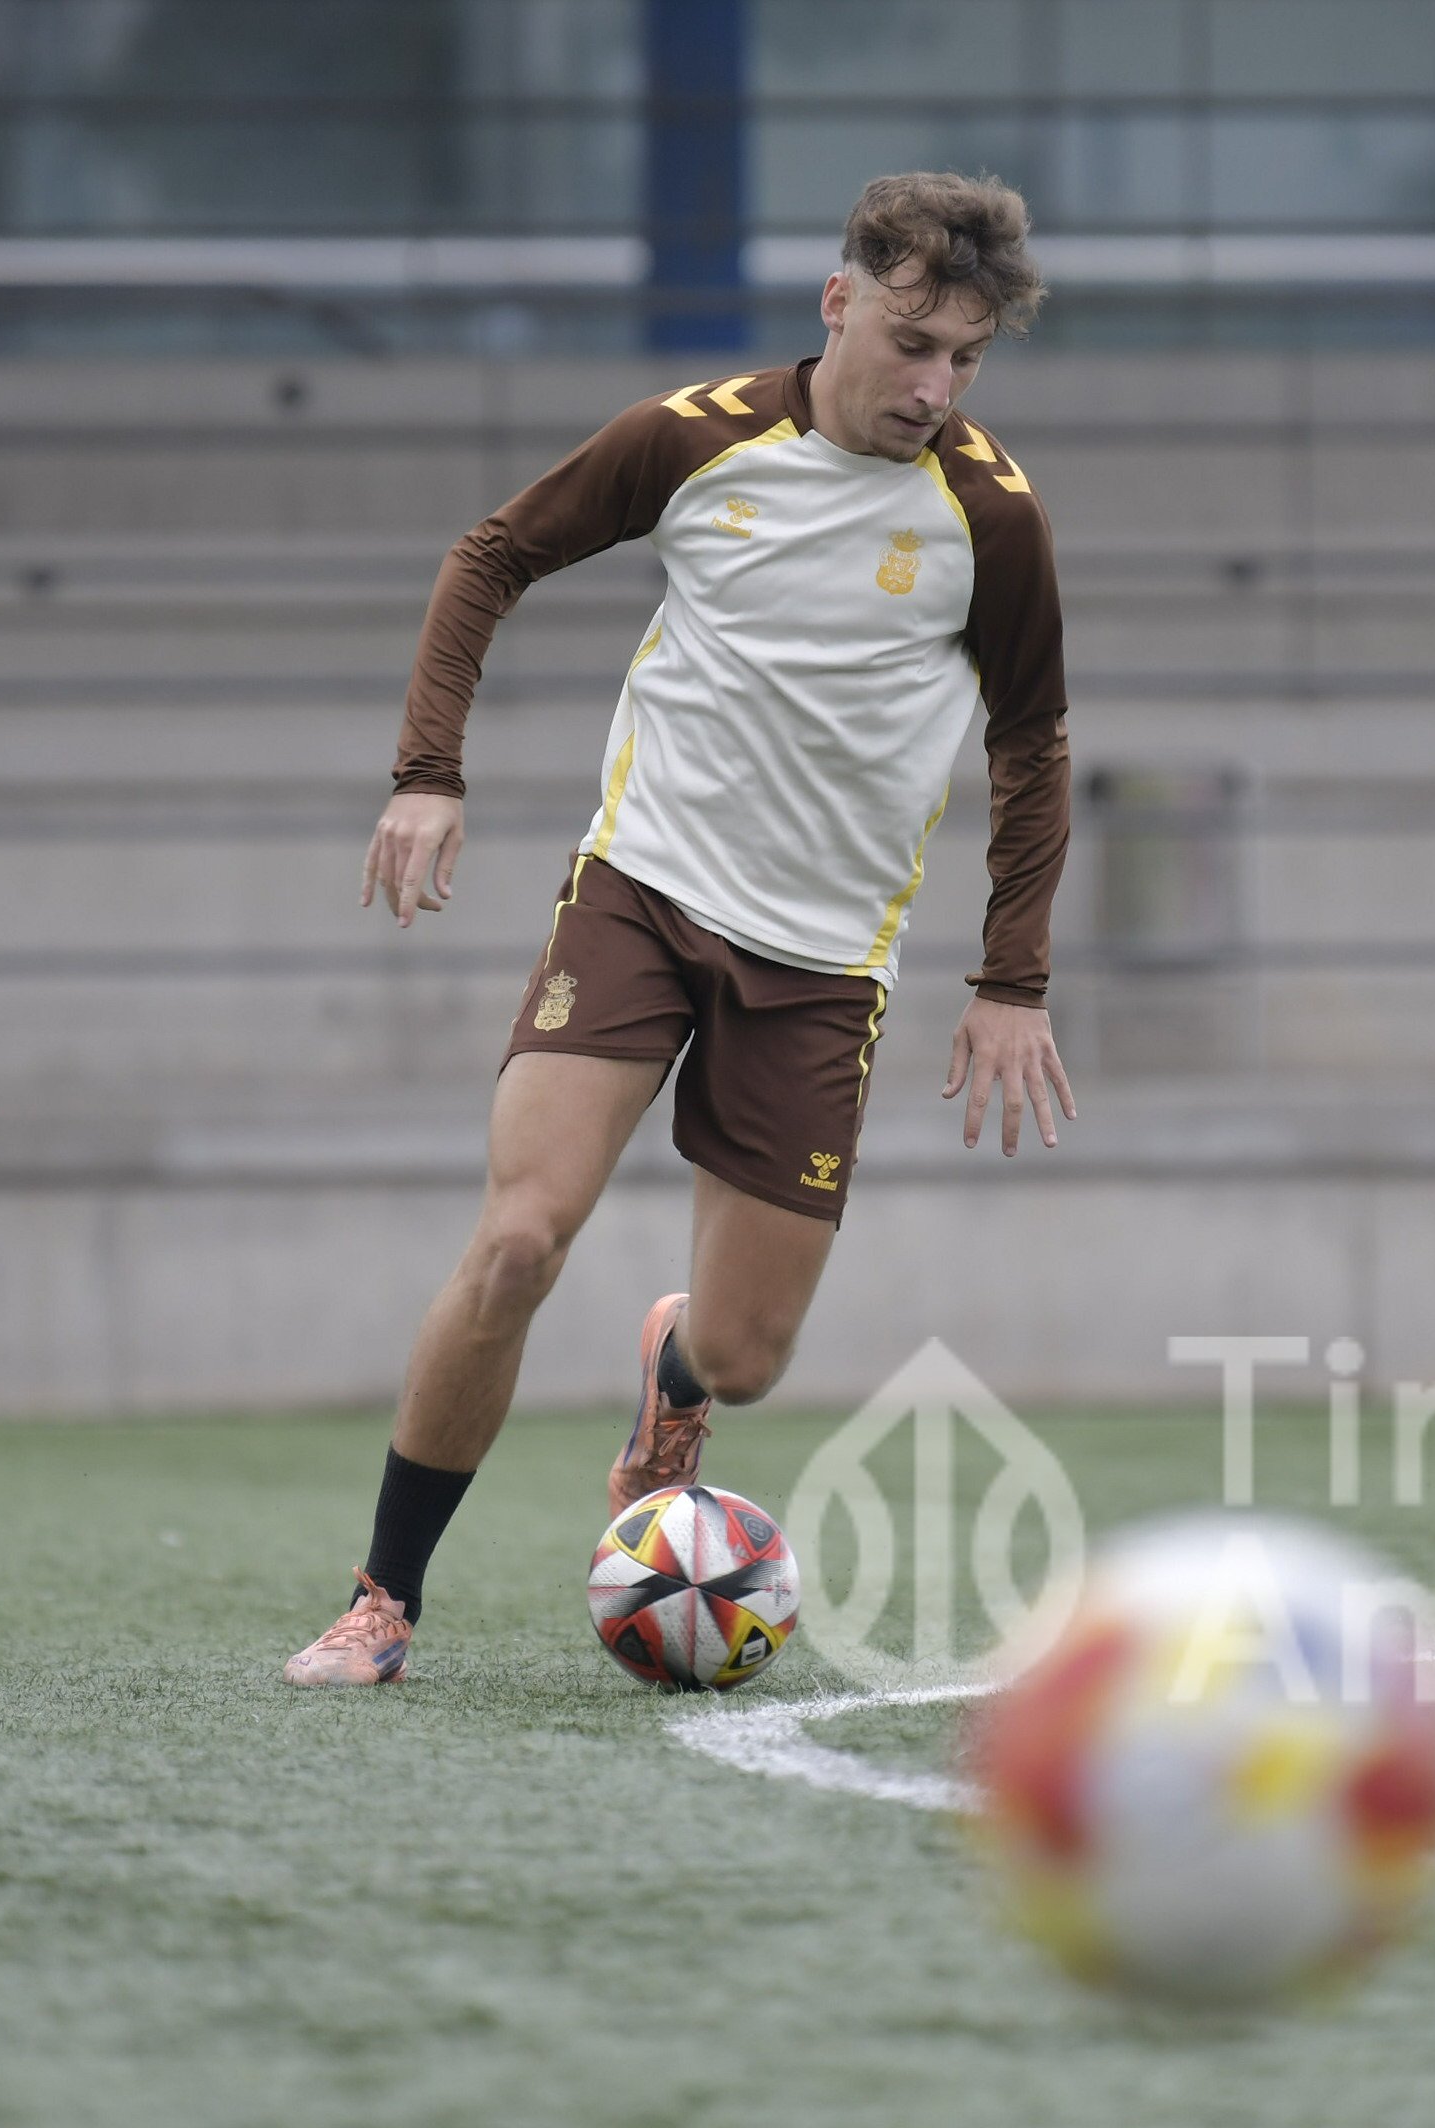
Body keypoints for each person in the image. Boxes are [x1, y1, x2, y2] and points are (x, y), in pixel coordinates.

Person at [285, 172, 1074, 1687]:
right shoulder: (695, 439)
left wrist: (1011, 982)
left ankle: (677, 1375)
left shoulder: (993, 516)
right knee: (519, 1240)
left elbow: (1032, 746)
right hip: (642, 898)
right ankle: (383, 1602)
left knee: (752, 1357)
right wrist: (429, 775)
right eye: (912, 341)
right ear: (839, 302)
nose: (935, 385)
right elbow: (490, 557)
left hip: (824, 967)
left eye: (966, 358)